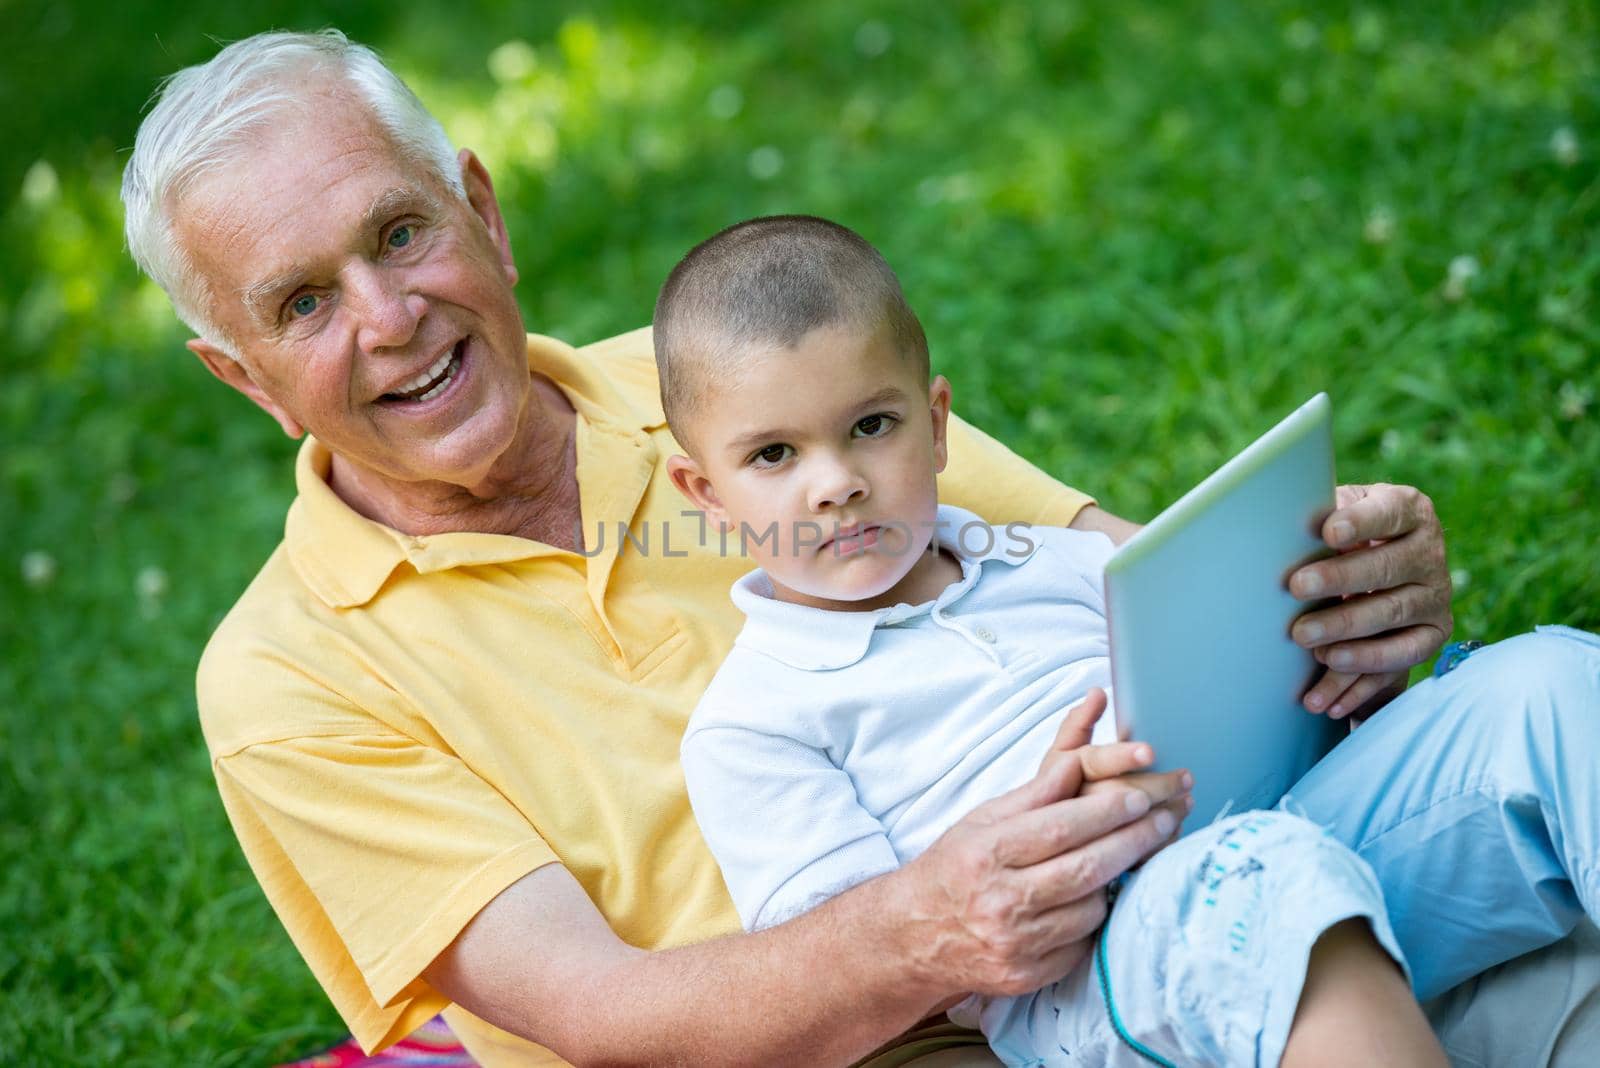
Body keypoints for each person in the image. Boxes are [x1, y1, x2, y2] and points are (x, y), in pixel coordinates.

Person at [117, 29, 1596, 1068]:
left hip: (1196, 881)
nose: (387, 318)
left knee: (1555, 775)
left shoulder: (755, 368)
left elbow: (1131, 574)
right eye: (302, 304)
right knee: (1303, 926)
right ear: (239, 373)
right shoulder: (287, 678)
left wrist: (1332, 594)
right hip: (941, 1030)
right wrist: (932, 933)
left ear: (482, 215)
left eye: (398, 233)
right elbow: (597, 1016)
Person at [657, 215, 1453, 1066]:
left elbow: (1237, 680)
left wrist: (1325, 655)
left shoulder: (1063, 561)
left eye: (871, 427)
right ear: (706, 495)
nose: (836, 485)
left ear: (936, 425)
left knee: (1543, 685)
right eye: (775, 454)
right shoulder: (752, 726)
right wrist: (1040, 840)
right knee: (1270, 878)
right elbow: (869, 979)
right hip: (1084, 978)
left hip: (1268, 810)